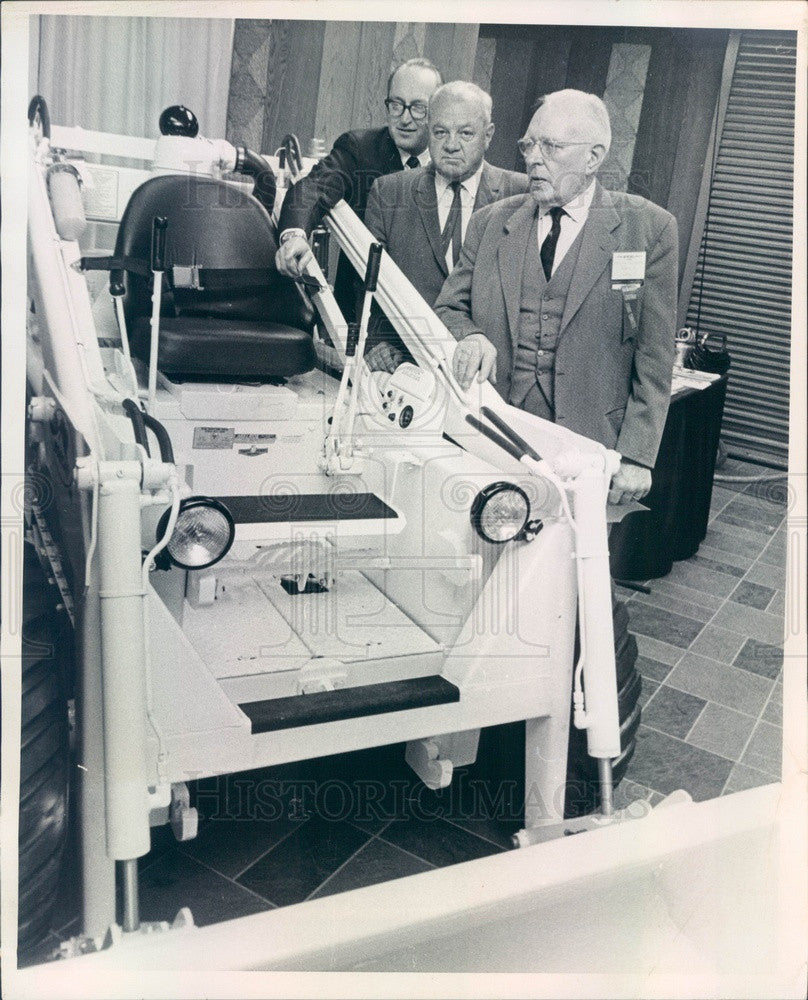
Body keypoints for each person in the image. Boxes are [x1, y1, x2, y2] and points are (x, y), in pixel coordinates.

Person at [434, 89, 678, 504]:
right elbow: (448, 308)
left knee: (572, 563)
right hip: (495, 435)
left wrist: (638, 455)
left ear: (594, 157)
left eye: (552, 146)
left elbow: (654, 355)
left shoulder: (648, 229)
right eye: (529, 144)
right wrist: (470, 335)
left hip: (587, 447)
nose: (532, 157)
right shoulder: (490, 223)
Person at [361, 81, 528, 371]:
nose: (451, 145)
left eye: (465, 133)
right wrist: (377, 343)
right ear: (428, 131)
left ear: (488, 135)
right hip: (408, 367)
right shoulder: (389, 193)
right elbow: (366, 288)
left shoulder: (522, 195)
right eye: (440, 132)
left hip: (488, 373)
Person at [275, 57, 443, 321]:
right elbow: (313, 187)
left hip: (429, 319)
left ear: (437, 111)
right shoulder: (360, 149)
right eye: (396, 105)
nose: (404, 118)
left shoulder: (448, 161)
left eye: (418, 108)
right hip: (361, 315)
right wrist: (294, 236)